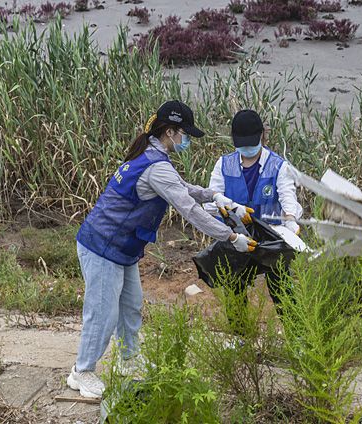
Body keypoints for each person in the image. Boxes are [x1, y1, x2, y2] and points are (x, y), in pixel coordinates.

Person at [68, 100, 257, 399]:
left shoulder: (154, 155)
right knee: (103, 312)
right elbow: (189, 209)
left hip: (122, 247)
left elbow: (184, 187)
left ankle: (128, 358)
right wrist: (231, 237)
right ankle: (82, 371)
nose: (186, 140)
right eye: (184, 134)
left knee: (131, 305)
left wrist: (217, 197)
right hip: (102, 245)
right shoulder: (156, 167)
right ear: (170, 132)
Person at [207, 109, 302, 326]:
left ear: (262, 135)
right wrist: (229, 207)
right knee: (234, 285)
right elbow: (211, 200)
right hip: (238, 237)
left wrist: (290, 220)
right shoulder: (224, 164)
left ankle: (298, 337)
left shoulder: (278, 166)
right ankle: (240, 335)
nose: (247, 149)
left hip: (270, 237)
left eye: (251, 142)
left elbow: (287, 196)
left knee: (281, 287)